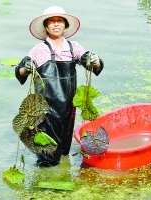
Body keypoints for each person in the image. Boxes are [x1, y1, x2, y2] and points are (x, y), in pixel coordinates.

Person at [15, 6, 104, 167]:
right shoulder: (39, 49)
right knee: (48, 155)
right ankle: (45, 181)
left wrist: (95, 60)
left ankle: (60, 175)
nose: (56, 25)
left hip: (68, 108)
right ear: (46, 27)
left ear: (65, 25)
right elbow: (20, 72)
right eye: (52, 22)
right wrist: (25, 69)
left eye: (60, 21)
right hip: (45, 110)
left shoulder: (73, 47)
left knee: (63, 150)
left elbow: (93, 66)